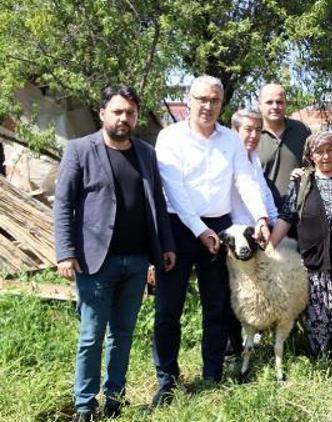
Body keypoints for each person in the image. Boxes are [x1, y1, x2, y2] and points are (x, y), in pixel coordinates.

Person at [54, 85, 176, 421]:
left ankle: (115, 399)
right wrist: (65, 252)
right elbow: (63, 204)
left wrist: (164, 246)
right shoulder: (80, 150)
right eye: (118, 111)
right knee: (92, 336)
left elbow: (158, 205)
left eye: (130, 113)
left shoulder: (146, 153)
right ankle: (84, 405)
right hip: (95, 261)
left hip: (137, 261)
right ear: (102, 112)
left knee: (122, 335)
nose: (124, 118)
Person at [152, 75, 270, 406]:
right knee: (168, 309)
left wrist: (260, 216)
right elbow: (173, 188)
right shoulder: (169, 138)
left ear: (221, 104)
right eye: (202, 99)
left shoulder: (231, 141)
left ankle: (212, 374)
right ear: (189, 99)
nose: (207, 106)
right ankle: (167, 379)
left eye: (214, 100)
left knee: (216, 305)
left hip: (219, 226)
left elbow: (245, 179)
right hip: (178, 228)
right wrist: (199, 230)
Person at [269, 131, 332, 372]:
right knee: (318, 314)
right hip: (314, 262)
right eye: (319, 152)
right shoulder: (302, 181)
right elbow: (287, 217)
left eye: (330, 150)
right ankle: (323, 361)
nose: (325, 156)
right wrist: (268, 248)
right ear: (310, 155)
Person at [224, 109, 279, 366]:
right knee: (232, 295)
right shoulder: (227, 159)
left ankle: (251, 344)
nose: (254, 135)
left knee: (254, 292)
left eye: (258, 129)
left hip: (256, 235)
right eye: (248, 129)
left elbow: (264, 196)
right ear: (234, 130)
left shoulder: (254, 160)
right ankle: (230, 353)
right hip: (235, 237)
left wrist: (274, 223)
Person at [254, 83, 312, 206]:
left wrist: (305, 173)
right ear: (259, 105)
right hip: (262, 214)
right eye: (269, 102)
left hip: (298, 213)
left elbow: (314, 166)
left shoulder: (302, 130)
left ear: (286, 104)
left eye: (279, 102)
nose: (275, 106)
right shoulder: (252, 135)